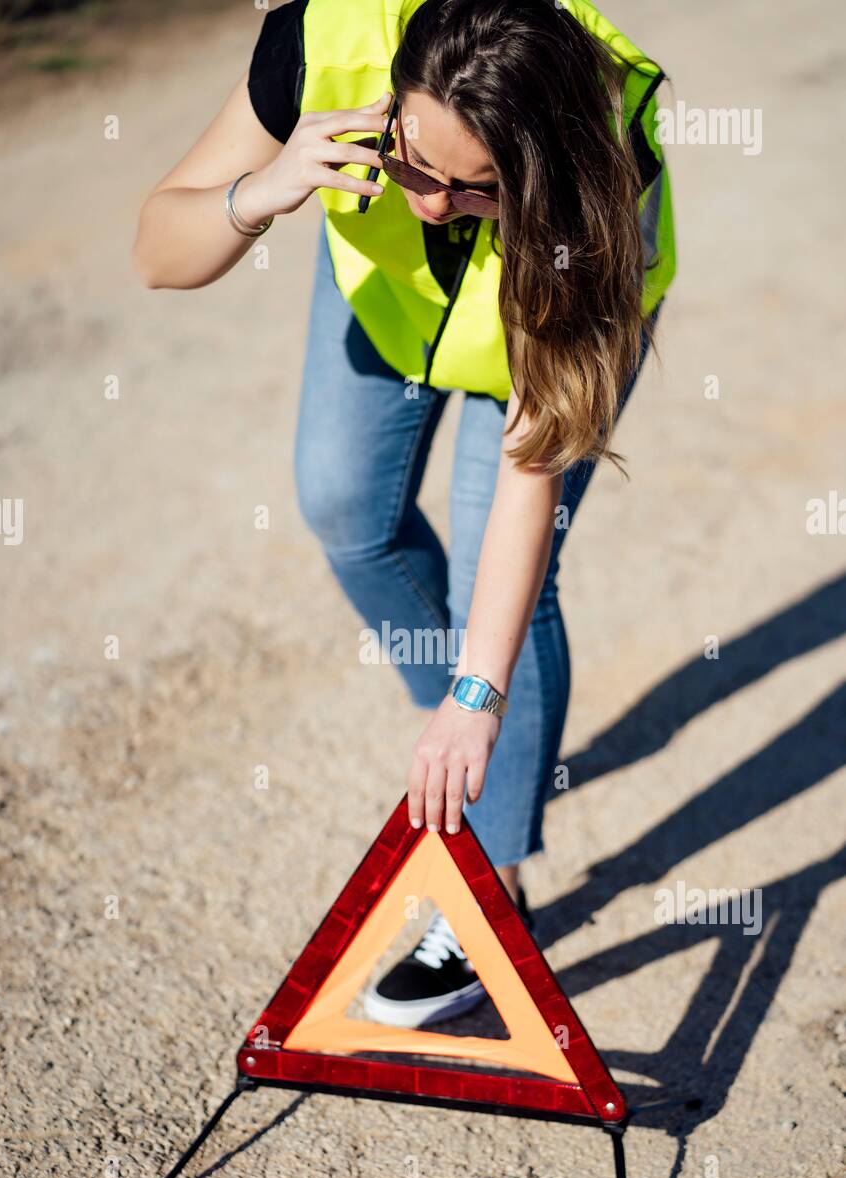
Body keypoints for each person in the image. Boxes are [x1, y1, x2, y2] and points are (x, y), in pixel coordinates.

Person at [132, 0, 676, 1028]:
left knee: (497, 588)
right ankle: (487, 750)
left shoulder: (594, 192)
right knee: (342, 506)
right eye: (412, 160)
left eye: (474, 188)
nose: (430, 204)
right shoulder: (322, 45)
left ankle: (488, 883)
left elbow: (530, 461)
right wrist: (268, 187)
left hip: (537, 297)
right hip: (386, 301)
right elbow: (157, 251)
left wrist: (474, 690)